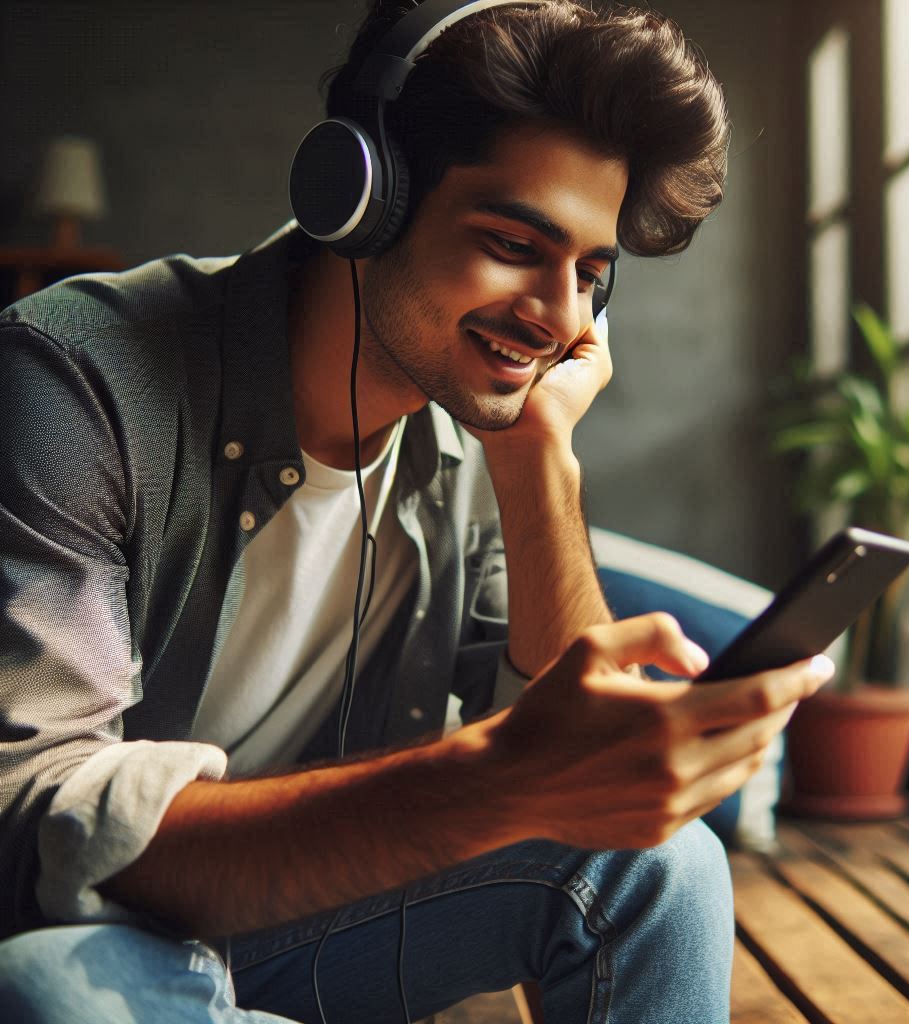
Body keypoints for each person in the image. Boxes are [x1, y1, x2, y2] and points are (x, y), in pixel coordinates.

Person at [0, 1, 833, 1021]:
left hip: (293, 932)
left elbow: (562, 766)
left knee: (659, 863)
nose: (559, 316)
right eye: (511, 242)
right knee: (45, 993)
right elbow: (31, 820)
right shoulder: (75, 378)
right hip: (83, 934)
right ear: (363, 199)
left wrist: (539, 459)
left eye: (590, 274)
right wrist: (494, 779)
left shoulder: (470, 447)